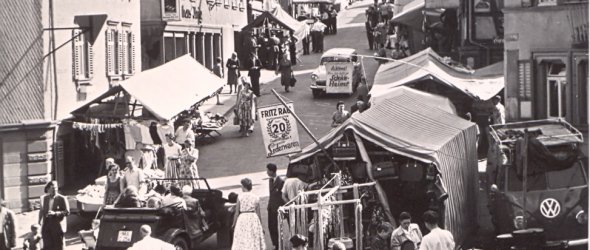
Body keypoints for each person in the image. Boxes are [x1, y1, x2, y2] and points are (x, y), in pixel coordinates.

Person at [231, 178, 266, 250]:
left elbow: (237, 213)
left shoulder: (240, 197)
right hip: (253, 218)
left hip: (242, 218)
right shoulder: (256, 197)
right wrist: (261, 226)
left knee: (243, 238)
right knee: (252, 237)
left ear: (244, 186)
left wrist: (234, 224)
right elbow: (258, 213)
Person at [38, 181, 69, 250]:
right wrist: (39, 221)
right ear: (48, 189)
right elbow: (42, 211)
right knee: (47, 245)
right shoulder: (45, 198)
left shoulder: (62, 198)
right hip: (46, 225)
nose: (55, 190)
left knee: (58, 246)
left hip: (57, 225)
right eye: (52, 188)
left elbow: (67, 212)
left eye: (56, 188)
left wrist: (55, 213)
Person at [266, 163, 285, 250]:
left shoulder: (280, 182)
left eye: (268, 170)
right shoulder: (270, 181)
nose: (267, 172)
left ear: (272, 171)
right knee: (271, 227)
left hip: (277, 208)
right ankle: (275, 243)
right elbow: (271, 194)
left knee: (277, 227)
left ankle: (278, 245)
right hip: (271, 208)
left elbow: (282, 196)